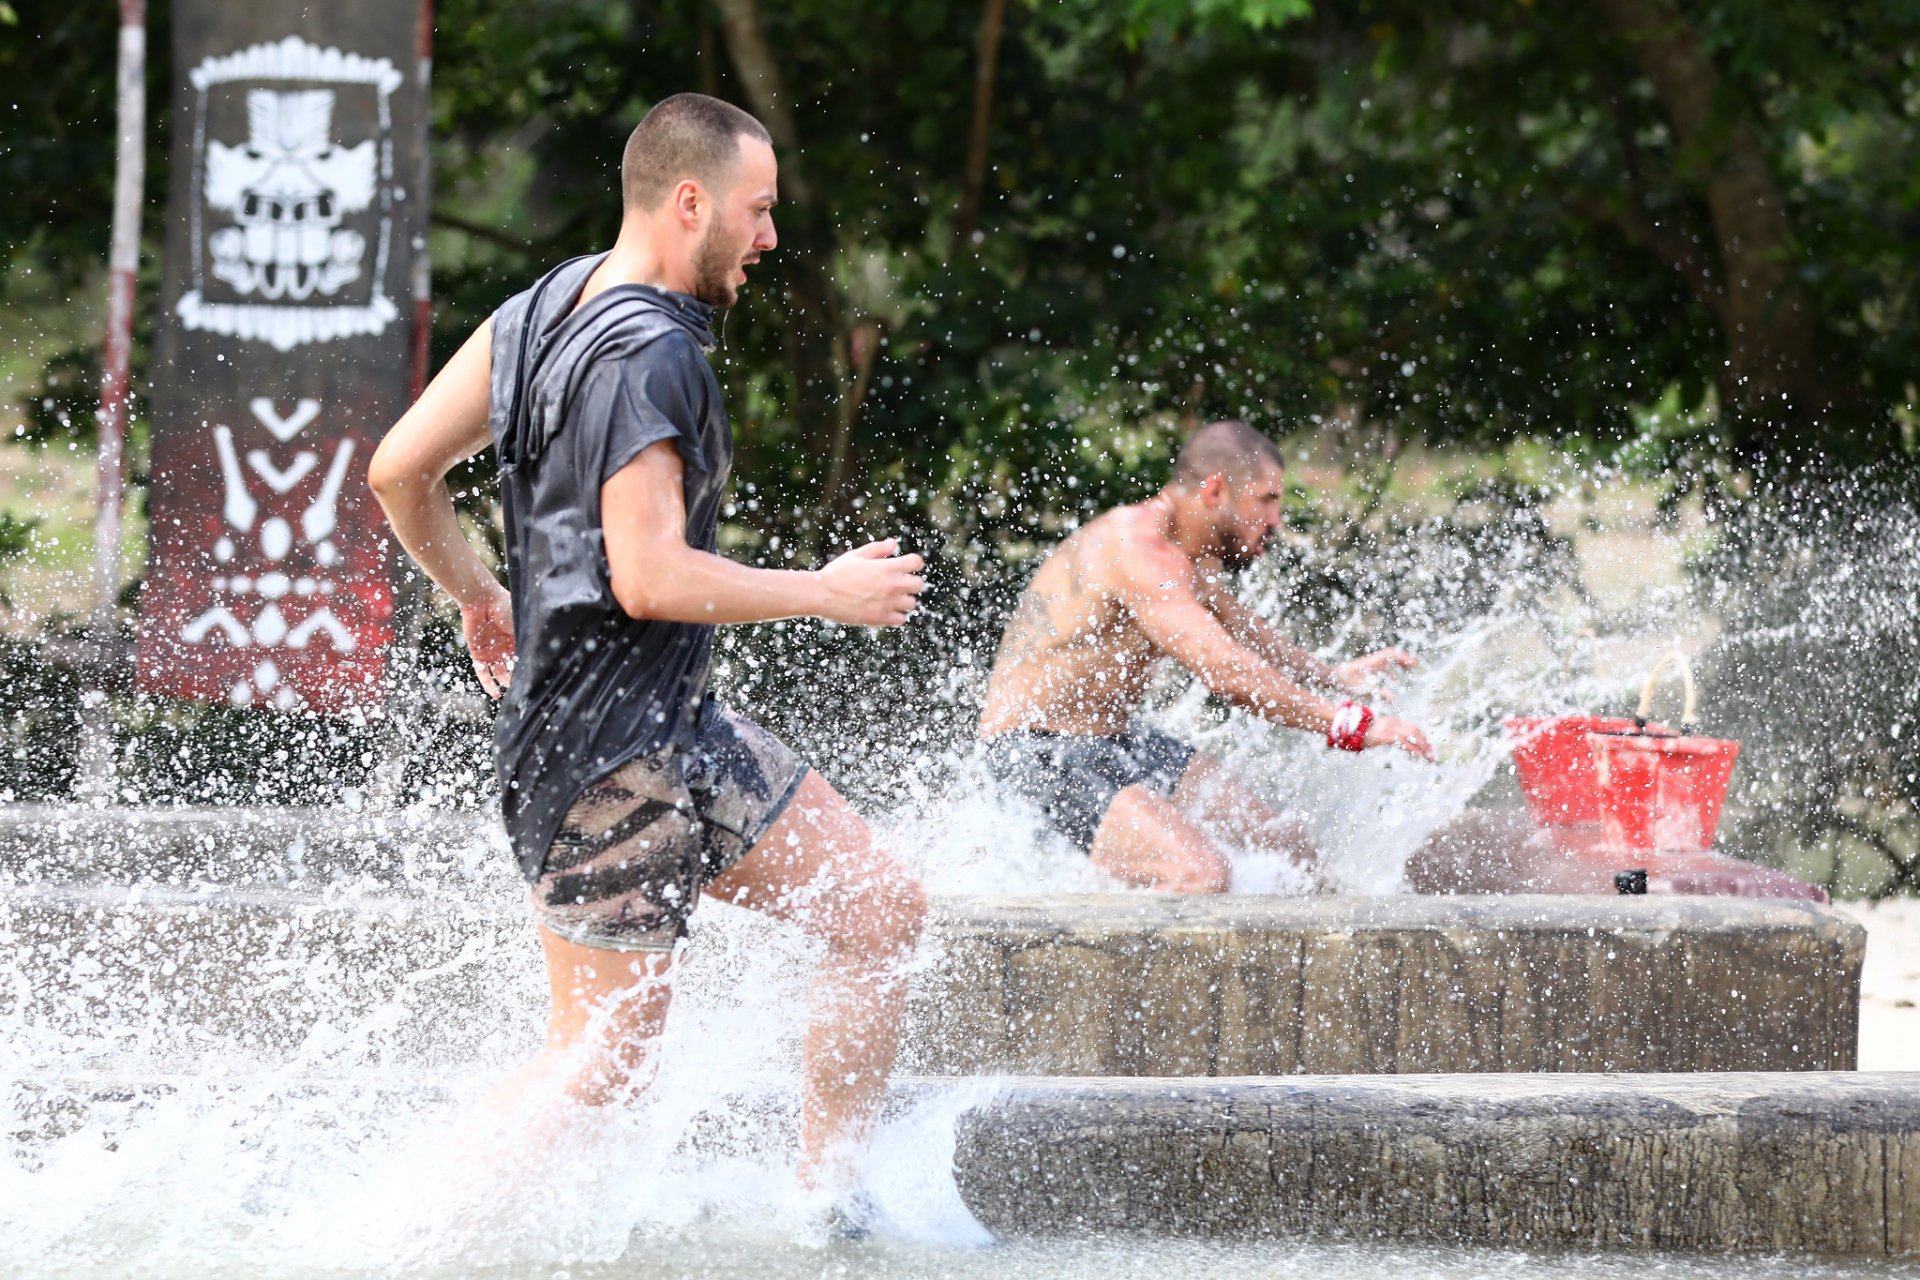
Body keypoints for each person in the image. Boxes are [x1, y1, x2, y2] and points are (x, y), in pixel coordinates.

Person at [368, 93, 928, 1213]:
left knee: (880, 908)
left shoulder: (541, 309)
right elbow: (651, 574)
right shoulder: (652, 355)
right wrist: (825, 591)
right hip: (600, 760)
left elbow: (397, 470)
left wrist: (478, 592)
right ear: (691, 202)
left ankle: (830, 1211)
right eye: (758, 211)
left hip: (665, 731)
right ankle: (398, 1233)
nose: (770, 236)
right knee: (601, 1066)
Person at [977, 420, 1434, 892]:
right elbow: (1225, 671)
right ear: (1216, 491)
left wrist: (1331, 675)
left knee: (1288, 852)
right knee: (1199, 875)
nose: (1276, 520)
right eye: (1265, 500)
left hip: (1119, 737)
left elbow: (1239, 629)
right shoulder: (1139, 551)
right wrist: (1354, 724)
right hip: (1037, 748)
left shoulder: (1186, 551)